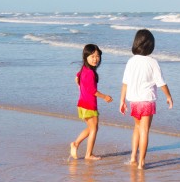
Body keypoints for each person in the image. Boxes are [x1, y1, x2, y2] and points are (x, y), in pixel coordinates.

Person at [120, 29, 173, 169]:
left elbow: (125, 82)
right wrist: (168, 96)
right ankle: (141, 162)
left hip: (134, 101)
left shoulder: (131, 61)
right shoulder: (152, 62)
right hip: (147, 101)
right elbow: (161, 82)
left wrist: (122, 100)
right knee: (144, 130)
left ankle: (133, 158)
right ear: (150, 45)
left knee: (137, 128)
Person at [70, 44, 113, 160]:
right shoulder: (90, 73)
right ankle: (88, 154)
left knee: (92, 127)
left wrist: (80, 87)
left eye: (97, 56)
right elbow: (92, 90)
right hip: (89, 105)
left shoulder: (84, 69)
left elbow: (76, 78)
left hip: (82, 104)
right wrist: (105, 97)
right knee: (94, 129)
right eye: (92, 56)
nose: (95, 59)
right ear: (86, 57)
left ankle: (75, 144)